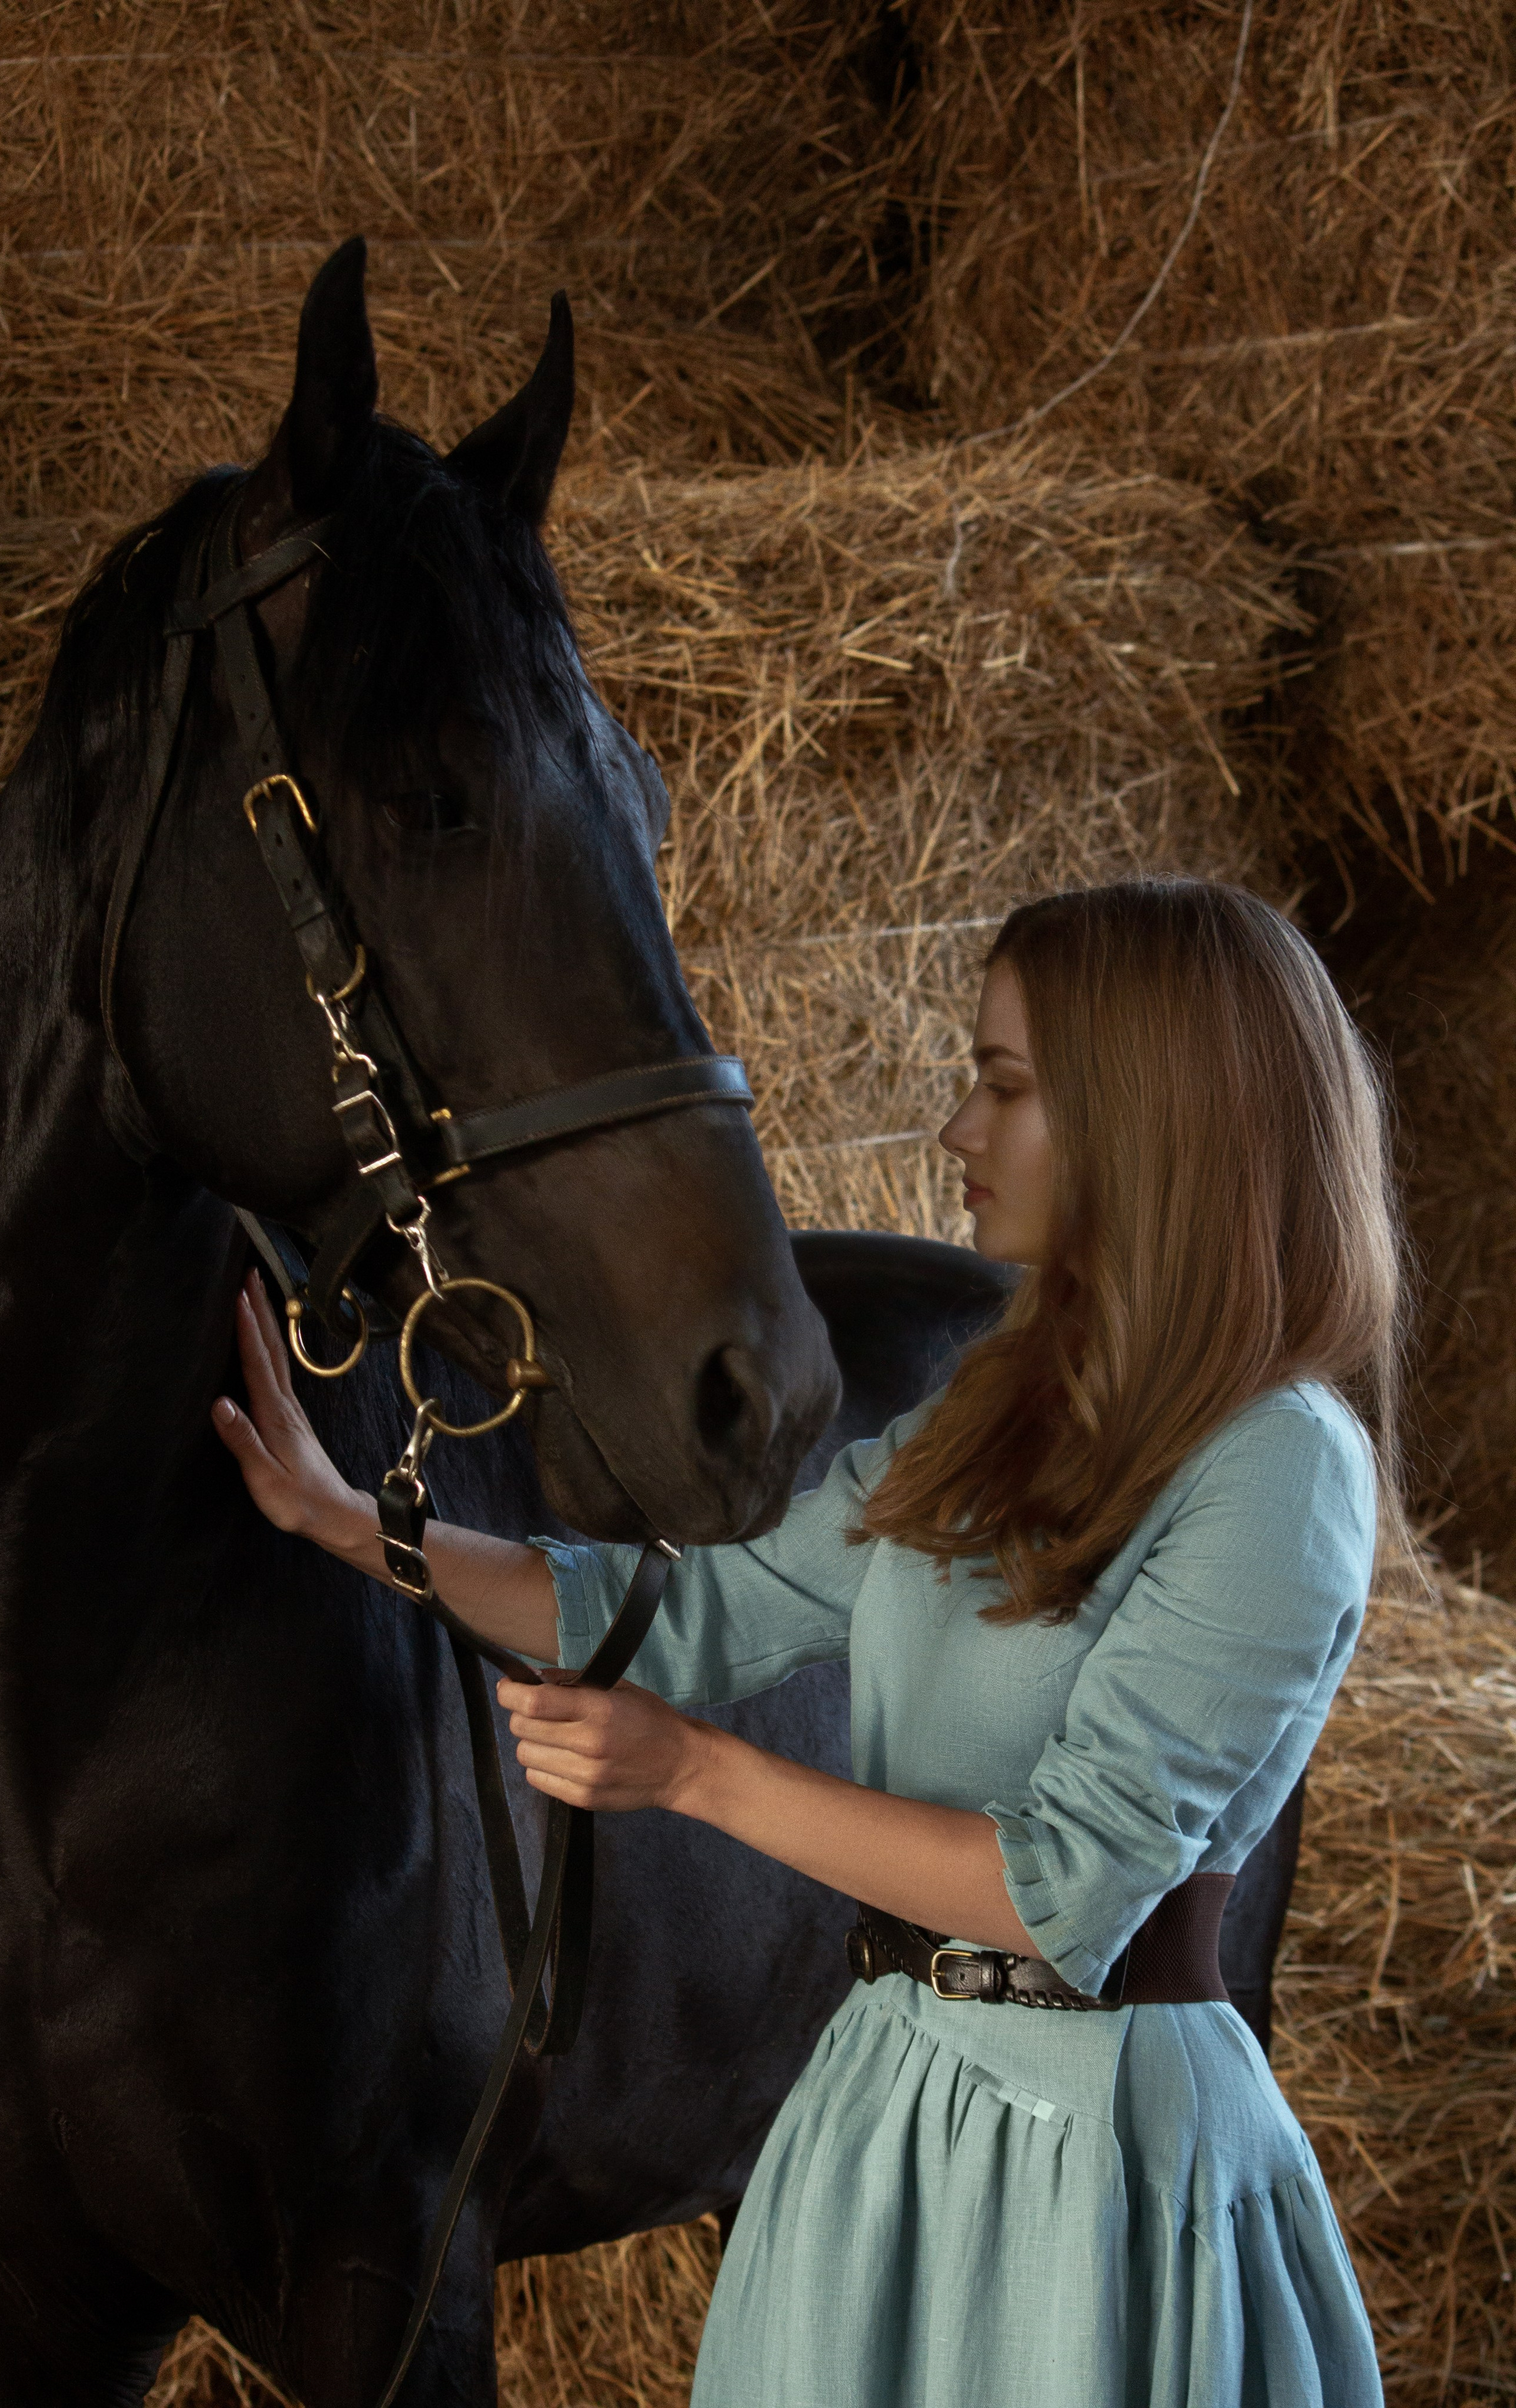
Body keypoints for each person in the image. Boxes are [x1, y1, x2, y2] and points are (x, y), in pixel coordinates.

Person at [214, 878, 1396, 2407]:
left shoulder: (1276, 1464)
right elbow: (686, 1612)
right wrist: (353, 1527)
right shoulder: (997, 1409)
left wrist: (693, 1778)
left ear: (1150, 1113)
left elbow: (1065, 1893)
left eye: (1005, 1086)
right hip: (878, 2106)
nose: (957, 1132)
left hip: (1089, 2161)